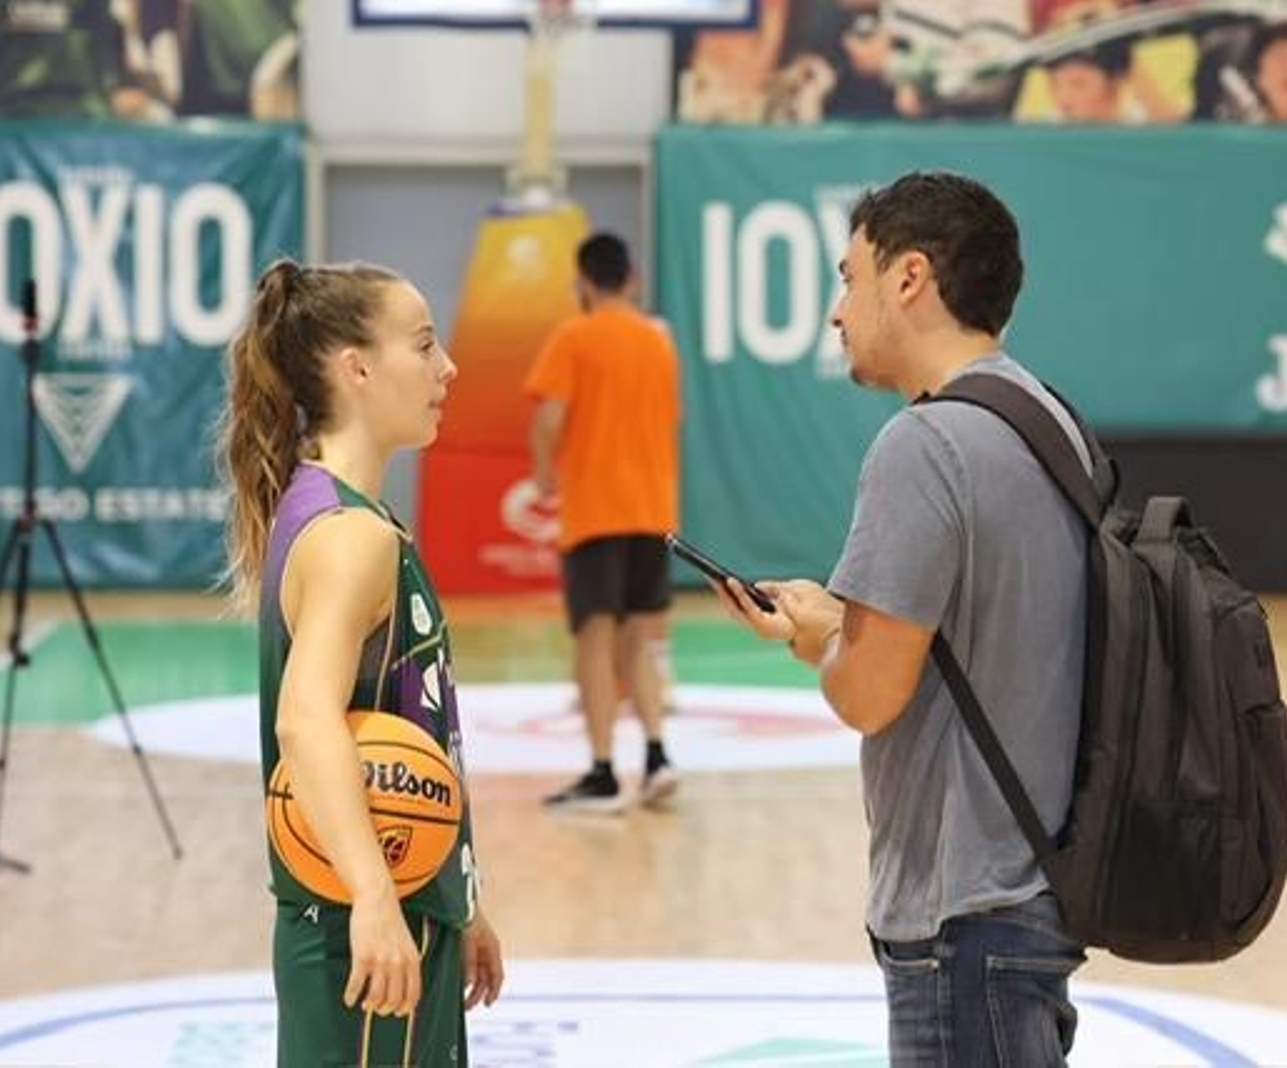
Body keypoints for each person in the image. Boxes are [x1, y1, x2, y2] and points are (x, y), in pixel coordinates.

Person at [716, 173, 1090, 1065]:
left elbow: (869, 693)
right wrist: (839, 619)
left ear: (911, 277)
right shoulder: (1048, 419)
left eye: (850, 278)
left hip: (961, 916)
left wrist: (822, 640)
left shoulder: (923, 444)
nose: (836, 312)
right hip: (1037, 891)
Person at [220, 259, 504, 1067]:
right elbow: (306, 721)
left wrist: (459, 899)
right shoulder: (353, 538)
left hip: (396, 910)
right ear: (358, 369)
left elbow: (411, 726)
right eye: (423, 344)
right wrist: (378, 898)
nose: (447, 367)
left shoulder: (330, 510)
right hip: (367, 928)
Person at [525, 232, 682, 813]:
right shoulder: (658, 343)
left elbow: (549, 419)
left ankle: (601, 771)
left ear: (584, 282)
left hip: (595, 509)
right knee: (640, 640)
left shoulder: (574, 336)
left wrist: (546, 475)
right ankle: (658, 756)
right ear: (631, 278)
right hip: (652, 509)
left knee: (595, 640)